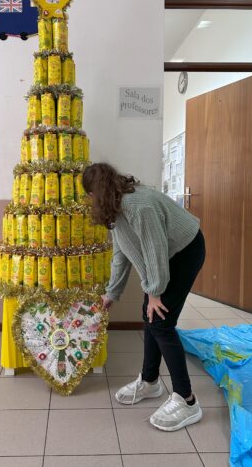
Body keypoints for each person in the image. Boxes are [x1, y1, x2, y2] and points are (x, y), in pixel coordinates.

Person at [82, 163, 206, 432]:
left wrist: (155, 292)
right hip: (167, 256)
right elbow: (121, 253)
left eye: (90, 197)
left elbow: (155, 251)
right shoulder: (115, 208)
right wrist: (111, 293)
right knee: (149, 314)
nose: (90, 202)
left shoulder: (139, 206)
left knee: (160, 320)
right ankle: (150, 382)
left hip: (185, 251)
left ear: (95, 194)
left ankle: (187, 400)